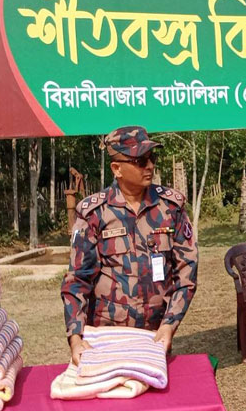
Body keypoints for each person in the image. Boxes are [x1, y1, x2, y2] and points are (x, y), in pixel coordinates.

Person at [61, 126, 198, 364]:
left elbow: (186, 274)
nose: (150, 166)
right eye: (140, 160)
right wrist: (76, 336)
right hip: (105, 336)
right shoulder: (95, 213)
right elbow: (77, 281)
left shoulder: (170, 208)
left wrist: (169, 326)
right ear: (117, 169)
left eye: (152, 158)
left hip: (154, 335)